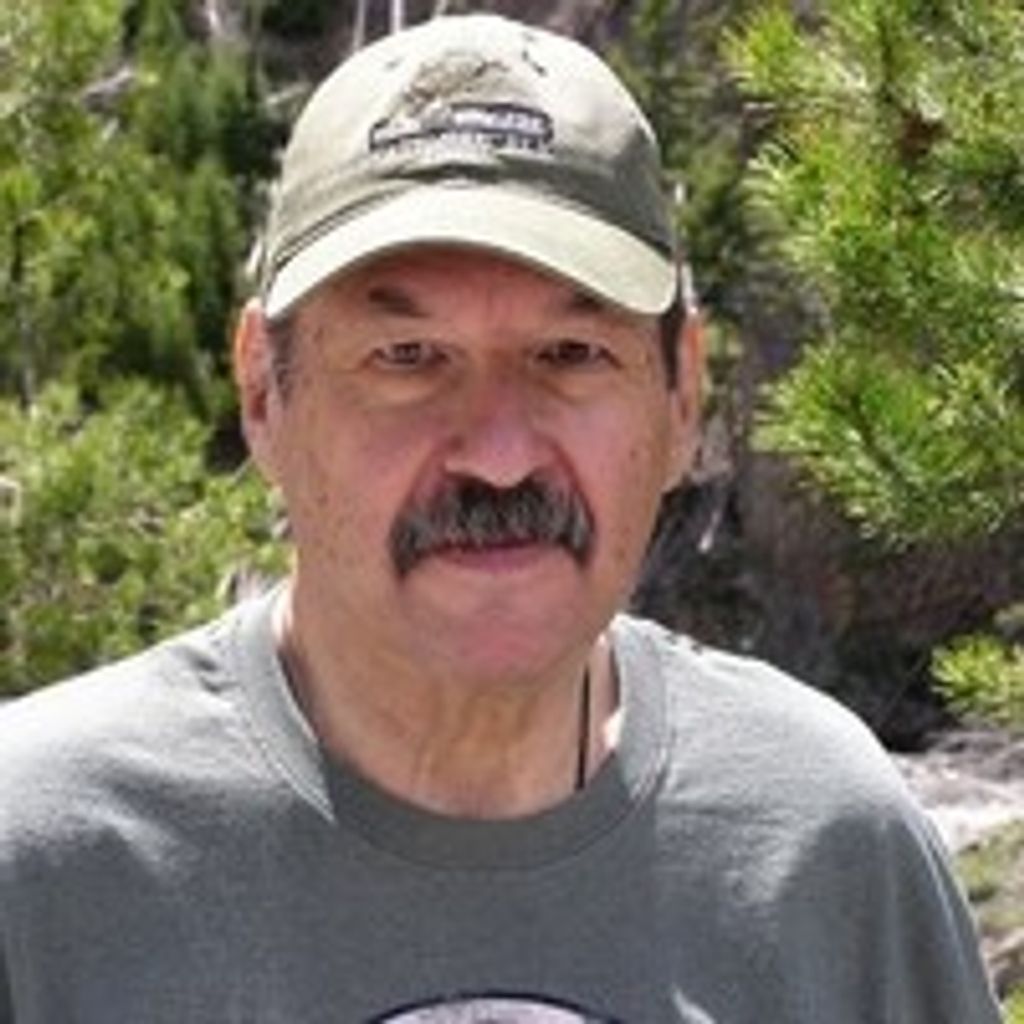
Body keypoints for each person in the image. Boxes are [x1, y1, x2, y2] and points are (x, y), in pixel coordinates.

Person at [0, 14, 1002, 1024]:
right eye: (407, 358)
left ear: (681, 394)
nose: (498, 452)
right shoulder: (40, 867)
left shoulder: (826, 853)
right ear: (264, 392)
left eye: (571, 355)